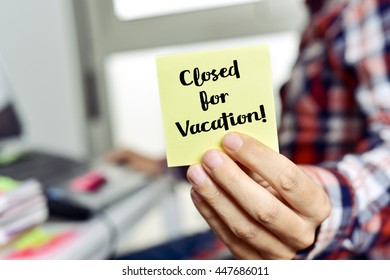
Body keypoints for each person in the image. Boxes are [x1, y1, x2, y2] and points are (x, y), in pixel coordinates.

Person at [110, 0, 390, 259]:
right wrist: (167, 163)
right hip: (259, 236)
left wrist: (321, 208)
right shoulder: (322, 18)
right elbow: (268, 147)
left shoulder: (369, 9)